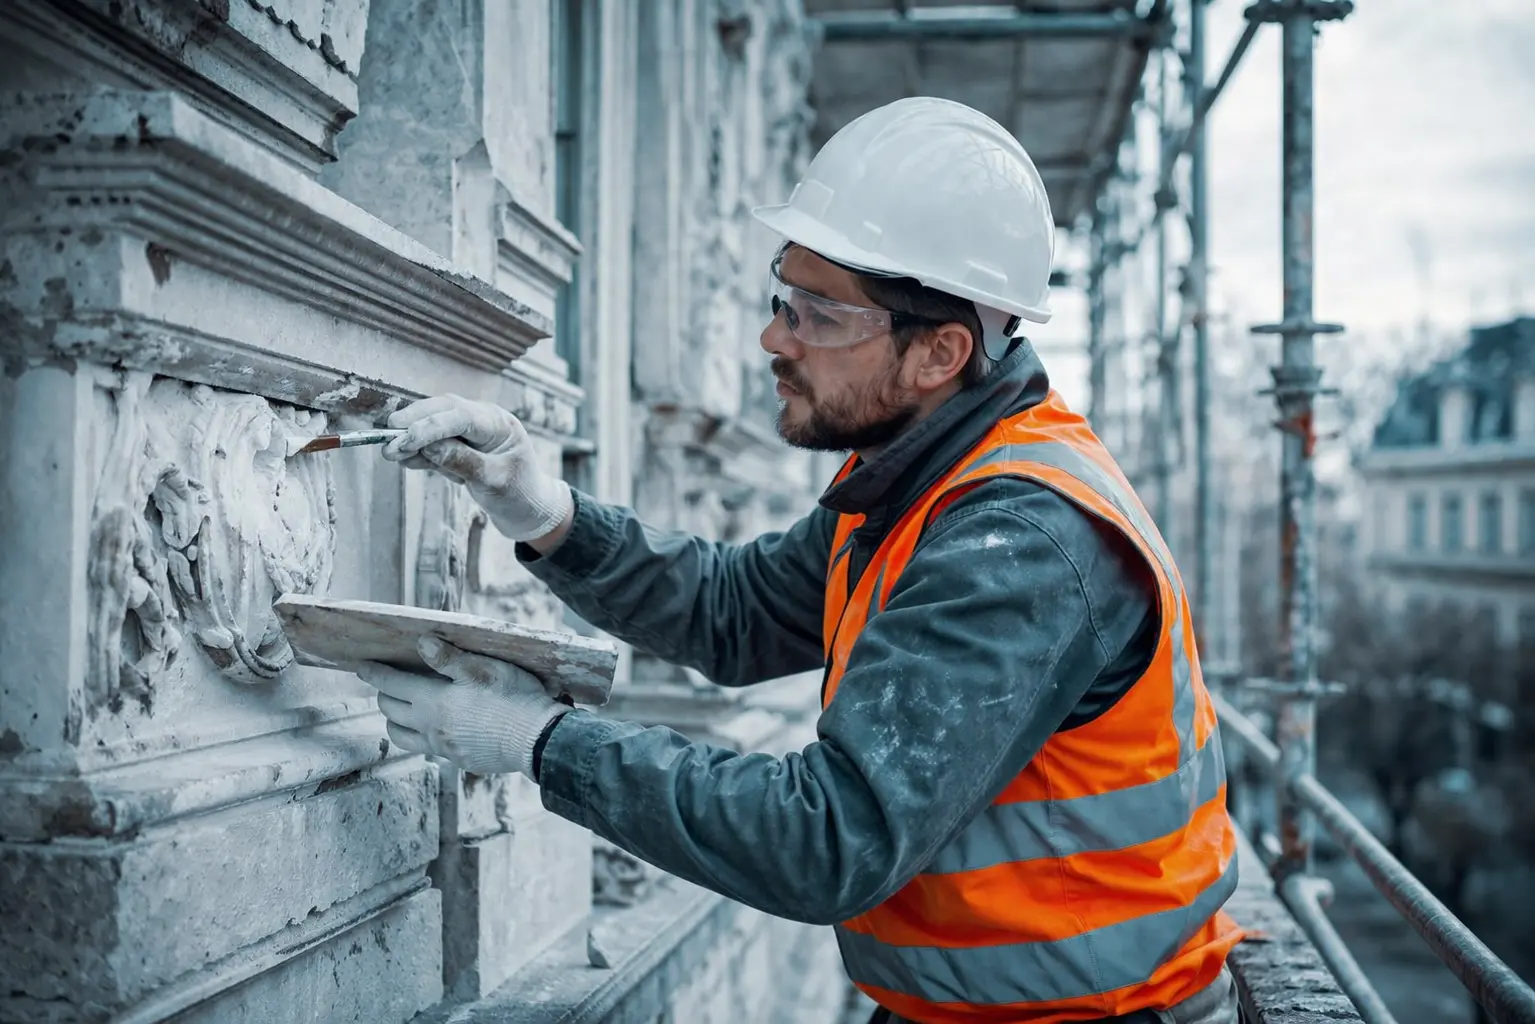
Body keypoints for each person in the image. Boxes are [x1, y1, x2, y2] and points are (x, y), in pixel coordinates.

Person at [354, 97, 1244, 1024]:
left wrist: (536, 741)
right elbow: (734, 612)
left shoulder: (1017, 541)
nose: (775, 339)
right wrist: (538, 507)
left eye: (819, 315)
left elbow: (830, 837)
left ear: (939, 352)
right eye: (783, 297)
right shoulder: (919, 479)